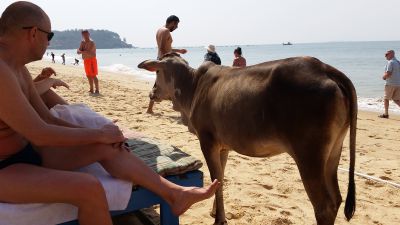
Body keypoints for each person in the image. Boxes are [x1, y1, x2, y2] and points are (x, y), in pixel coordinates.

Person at [0, 2, 219, 225]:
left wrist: (101, 135)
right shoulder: (1, 70)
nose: (49, 42)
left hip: (27, 153)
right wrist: (98, 134)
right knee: (88, 188)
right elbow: (40, 133)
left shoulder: (17, 67)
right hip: (6, 169)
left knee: (107, 146)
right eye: (50, 36)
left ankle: (174, 193)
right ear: (34, 33)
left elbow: (47, 119)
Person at [147, 15, 187, 114]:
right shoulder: (165, 31)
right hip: (164, 62)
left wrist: (178, 51)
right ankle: (181, 108)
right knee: (176, 83)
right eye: (176, 24)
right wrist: (168, 60)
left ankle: (149, 109)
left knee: (158, 84)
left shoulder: (160, 30)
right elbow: (161, 47)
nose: (176, 27)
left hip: (162, 61)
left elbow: (166, 47)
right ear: (172, 22)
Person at [379, 50, 400, 118]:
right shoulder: (398, 62)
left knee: (386, 98)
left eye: (387, 54)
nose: (385, 56)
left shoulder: (390, 62)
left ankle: (386, 114)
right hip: (398, 84)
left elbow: (389, 73)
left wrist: (384, 77)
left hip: (390, 84)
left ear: (392, 54)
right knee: (396, 99)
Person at [77, 30, 99, 94]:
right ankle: (91, 89)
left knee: (93, 75)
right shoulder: (82, 42)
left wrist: (81, 51)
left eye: (86, 34)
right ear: (82, 35)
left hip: (92, 59)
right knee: (88, 75)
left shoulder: (92, 42)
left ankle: (97, 90)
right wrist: (82, 51)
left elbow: (89, 52)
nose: (85, 36)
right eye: (84, 35)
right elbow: (78, 52)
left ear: (89, 34)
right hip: (86, 60)